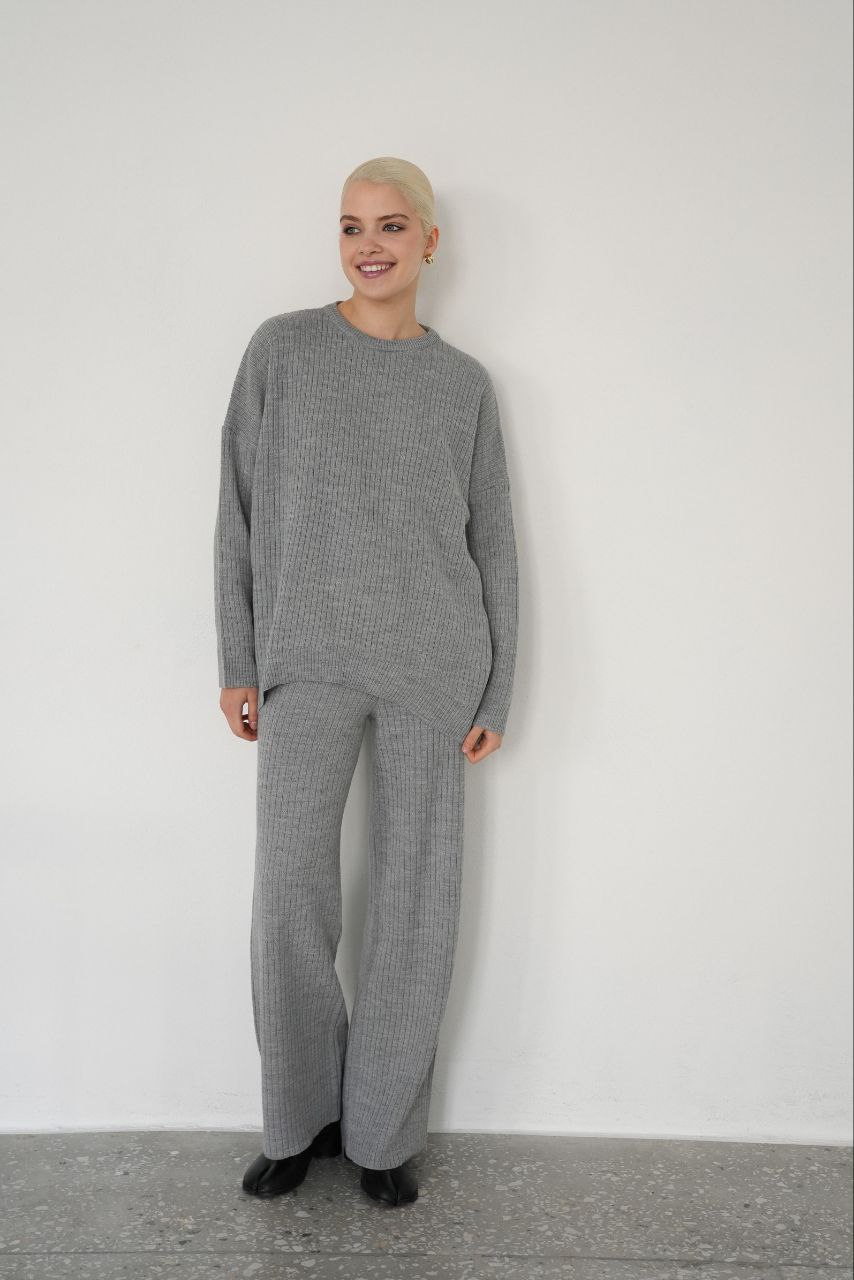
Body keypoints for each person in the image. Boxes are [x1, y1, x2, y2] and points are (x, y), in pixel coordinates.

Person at [214, 156, 520, 1207]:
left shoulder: (462, 384)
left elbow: (494, 544)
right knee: (289, 895)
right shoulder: (283, 350)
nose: (369, 245)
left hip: (435, 669)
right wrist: (238, 656)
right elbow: (236, 508)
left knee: (414, 904)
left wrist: (496, 689)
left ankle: (383, 1135)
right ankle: (298, 1117)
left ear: (429, 240)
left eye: (391, 225)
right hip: (305, 660)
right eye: (351, 226)